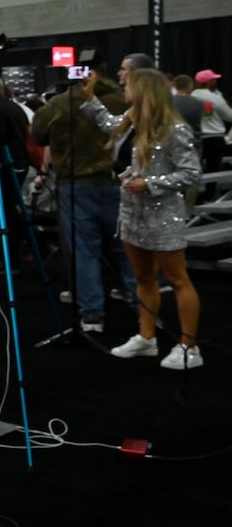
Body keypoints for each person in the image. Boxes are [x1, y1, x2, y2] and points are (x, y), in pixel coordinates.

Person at [80, 69, 204, 368]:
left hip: (163, 215)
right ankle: (146, 338)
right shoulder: (130, 121)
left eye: (129, 86)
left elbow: (191, 173)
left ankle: (189, 347)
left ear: (144, 91)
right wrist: (90, 99)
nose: (124, 89)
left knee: (177, 279)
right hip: (131, 213)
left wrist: (150, 183)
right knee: (143, 277)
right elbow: (108, 123)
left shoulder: (174, 128)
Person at [31, 72, 137, 331]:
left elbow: (37, 135)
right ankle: (142, 306)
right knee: (127, 246)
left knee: (84, 249)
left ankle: (92, 315)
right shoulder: (120, 99)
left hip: (75, 184)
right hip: (118, 182)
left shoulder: (57, 104)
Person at [190, 69, 232, 173]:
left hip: (194, 137)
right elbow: (229, 116)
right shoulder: (213, 97)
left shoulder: (191, 96)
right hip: (214, 138)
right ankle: (211, 189)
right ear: (210, 82)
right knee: (213, 168)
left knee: (194, 168)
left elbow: (208, 114)